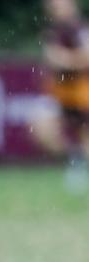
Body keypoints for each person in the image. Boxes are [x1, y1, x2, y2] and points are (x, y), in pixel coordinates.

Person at [31, 0, 89, 190]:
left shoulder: (79, 29)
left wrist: (64, 59)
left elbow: (84, 58)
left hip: (82, 93)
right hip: (59, 94)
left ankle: (79, 164)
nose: (54, 8)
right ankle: (76, 158)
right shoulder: (53, 31)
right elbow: (52, 61)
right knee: (40, 129)